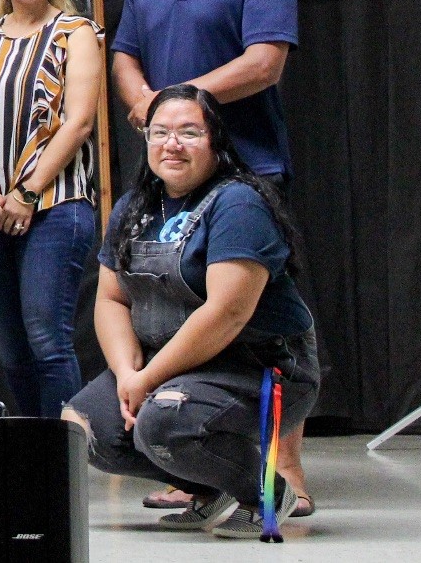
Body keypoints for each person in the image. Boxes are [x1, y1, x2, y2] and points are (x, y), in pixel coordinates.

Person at [110, 0, 310, 514]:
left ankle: (287, 468)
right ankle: (199, 462)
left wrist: (179, 101)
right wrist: (143, 95)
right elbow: (124, 56)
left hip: (248, 173)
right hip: (171, 177)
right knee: (175, 312)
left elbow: (265, 61)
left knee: (261, 322)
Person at [63, 86, 319, 540]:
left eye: (189, 132)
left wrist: (148, 379)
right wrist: (125, 373)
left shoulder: (239, 204)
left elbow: (226, 314)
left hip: (259, 364)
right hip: (171, 366)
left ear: (217, 142)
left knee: (165, 419)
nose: (172, 144)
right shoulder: (134, 206)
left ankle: (266, 494)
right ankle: (207, 492)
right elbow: (111, 299)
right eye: (160, 132)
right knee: (85, 428)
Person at [0, 0, 102, 419]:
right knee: (11, 351)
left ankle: (61, 465)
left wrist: (27, 192)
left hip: (54, 208)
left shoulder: (75, 32)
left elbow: (79, 121)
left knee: (48, 342)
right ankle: (29, 455)